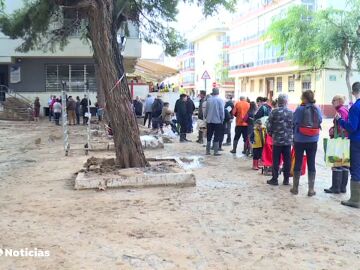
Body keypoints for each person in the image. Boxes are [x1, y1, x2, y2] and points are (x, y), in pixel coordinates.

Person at [291, 90, 322, 196]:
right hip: (313, 139)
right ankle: (311, 189)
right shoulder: (317, 108)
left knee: (298, 161)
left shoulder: (300, 109)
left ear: (304, 98)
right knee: (311, 162)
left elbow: (294, 121)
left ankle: (295, 188)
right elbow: (320, 120)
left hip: (300, 139)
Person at [337, 82, 360, 208]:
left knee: (356, 169)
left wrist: (340, 120)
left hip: (357, 141)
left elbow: (352, 127)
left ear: (353, 92)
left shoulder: (355, 107)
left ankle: (355, 199)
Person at [266, 94, 293, 186]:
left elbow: (268, 124)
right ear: (286, 102)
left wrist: (271, 134)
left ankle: (275, 179)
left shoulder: (274, 112)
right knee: (287, 160)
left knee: (276, 160)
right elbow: (294, 125)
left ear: (278, 101)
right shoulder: (291, 112)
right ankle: (286, 180)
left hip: (277, 140)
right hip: (288, 141)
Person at [324, 95, 349, 194]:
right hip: (344, 139)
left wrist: (332, 130)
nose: (332, 102)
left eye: (333, 100)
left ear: (339, 101)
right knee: (344, 164)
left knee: (336, 164)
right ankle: (342, 187)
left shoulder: (341, 111)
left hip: (339, 139)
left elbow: (341, 126)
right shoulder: (345, 109)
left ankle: (336, 187)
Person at [204, 88, 225, 156]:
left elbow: (206, 111)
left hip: (209, 121)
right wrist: (222, 119)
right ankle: (215, 151)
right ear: (218, 93)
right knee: (217, 136)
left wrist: (206, 117)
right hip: (217, 121)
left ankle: (207, 151)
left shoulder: (209, 100)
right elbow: (221, 111)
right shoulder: (220, 100)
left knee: (209, 135)